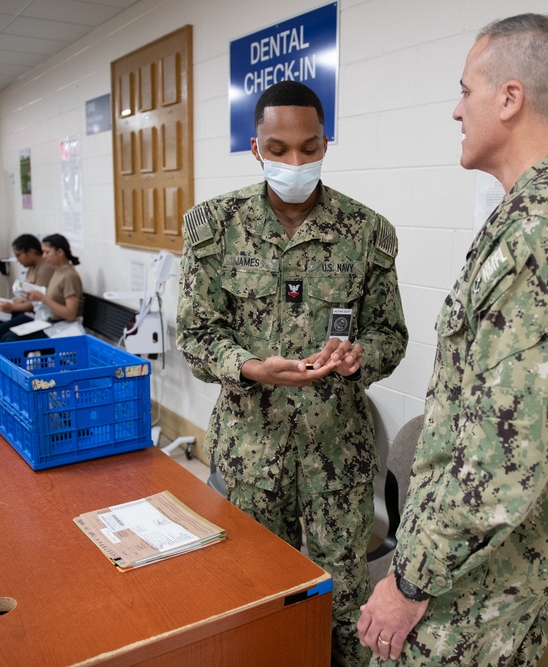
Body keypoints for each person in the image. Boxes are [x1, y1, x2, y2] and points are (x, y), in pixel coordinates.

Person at [356, 14, 548, 666]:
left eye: (466, 91)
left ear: (509, 98)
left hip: (467, 583)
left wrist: (408, 581)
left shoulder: (536, 231)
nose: (457, 111)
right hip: (517, 567)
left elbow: (499, 461)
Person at [176, 80, 408, 667]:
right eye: (278, 149)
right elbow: (196, 336)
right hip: (252, 451)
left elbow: (390, 335)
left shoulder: (368, 232)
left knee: (343, 593)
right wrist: (251, 367)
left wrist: (362, 358)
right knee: (256, 590)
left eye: (310, 148)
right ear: (255, 147)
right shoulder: (214, 226)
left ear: (326, 143)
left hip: (339, 451)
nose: (295, 162)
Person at [0, 234, 82, 342]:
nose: (44, 256)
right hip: (50, 320)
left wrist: (43, 298)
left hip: (62, 325)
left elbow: (70, 315)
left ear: (60, 252)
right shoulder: (57, 272)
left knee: (11, 340)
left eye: (47, 252)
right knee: (7, 336)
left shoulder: (70, 276)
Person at [0, 234, 56, 345]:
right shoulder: (32, 267)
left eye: (19, 255)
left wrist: (12, 307)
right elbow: (26, 296)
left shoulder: (45, 269)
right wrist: (11, 303)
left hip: (36, 315)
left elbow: (36, 303)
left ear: (30, 251)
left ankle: (0, 362)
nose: (17, 260)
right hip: (27, 310)